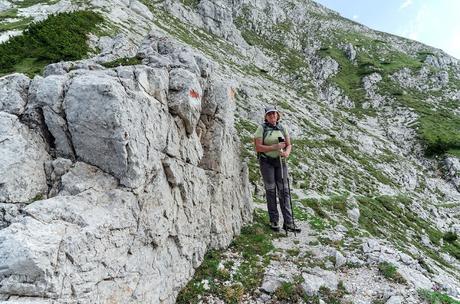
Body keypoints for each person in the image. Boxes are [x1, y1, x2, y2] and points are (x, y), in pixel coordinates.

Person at [253, 106, 301, 233]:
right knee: (271, 190)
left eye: (274, 114)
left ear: (277, 115)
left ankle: (289, 222)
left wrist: (286, 153)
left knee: (284, 191)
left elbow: (289, 144)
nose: (272, 116)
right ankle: (274, 220)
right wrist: (275, 147)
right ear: (266, 117)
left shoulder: (282, 127)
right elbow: (258, 147)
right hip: (266, 162)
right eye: (269, 114)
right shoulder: (262, 128)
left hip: (281, 162)